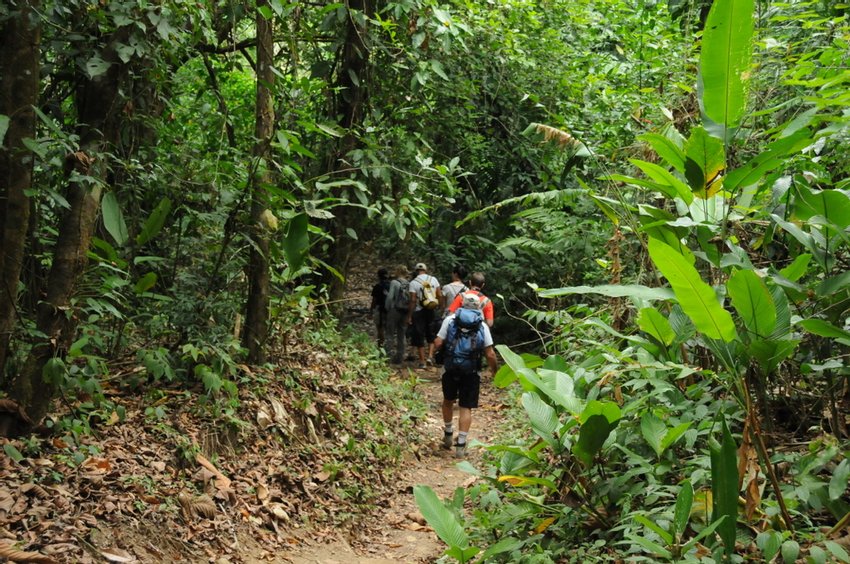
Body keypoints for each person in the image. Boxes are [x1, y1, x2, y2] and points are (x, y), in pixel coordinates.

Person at [433, 293, 497, 458]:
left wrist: (441, 354)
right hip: (471, 370)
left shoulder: (450, 320)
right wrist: (494, 370)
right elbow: (490, 354)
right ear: (478, 306)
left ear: (461, 304)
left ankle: (448, 434)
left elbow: (438, 342)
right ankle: (461, 445)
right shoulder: (482, 326)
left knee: (448, 401)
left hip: (450, 368)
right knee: (465, 406)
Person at [407, 262, 441, 369]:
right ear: (426, 270)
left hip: (418, 311)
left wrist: (409, 315)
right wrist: (439, 306)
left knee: (419, 334)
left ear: (416, 271)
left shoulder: (413, 283)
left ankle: (422, 361)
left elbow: (413, 300)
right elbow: (439, 294)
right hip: (431, 309)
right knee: (431, 333)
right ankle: (430, 356)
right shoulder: (433, 280)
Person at [384, 265, 410, 365]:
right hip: (405, 311)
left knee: (390, 333)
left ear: (398, 272)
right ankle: (400, 357)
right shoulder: (409, 283)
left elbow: (390, 297)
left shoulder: (394, 282)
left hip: (394, 310)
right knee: (402, 334)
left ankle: (387, 357)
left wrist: (387, 308)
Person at [369, 268, 390, 348]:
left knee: (380, 328)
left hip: (379, 309)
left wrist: (371, 311)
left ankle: (381, 345)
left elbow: (374, 300)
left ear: (378, 276)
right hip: (390, 310)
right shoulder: (391, 285)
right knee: (388, 328)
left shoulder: (377, 286)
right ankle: (387, 346)